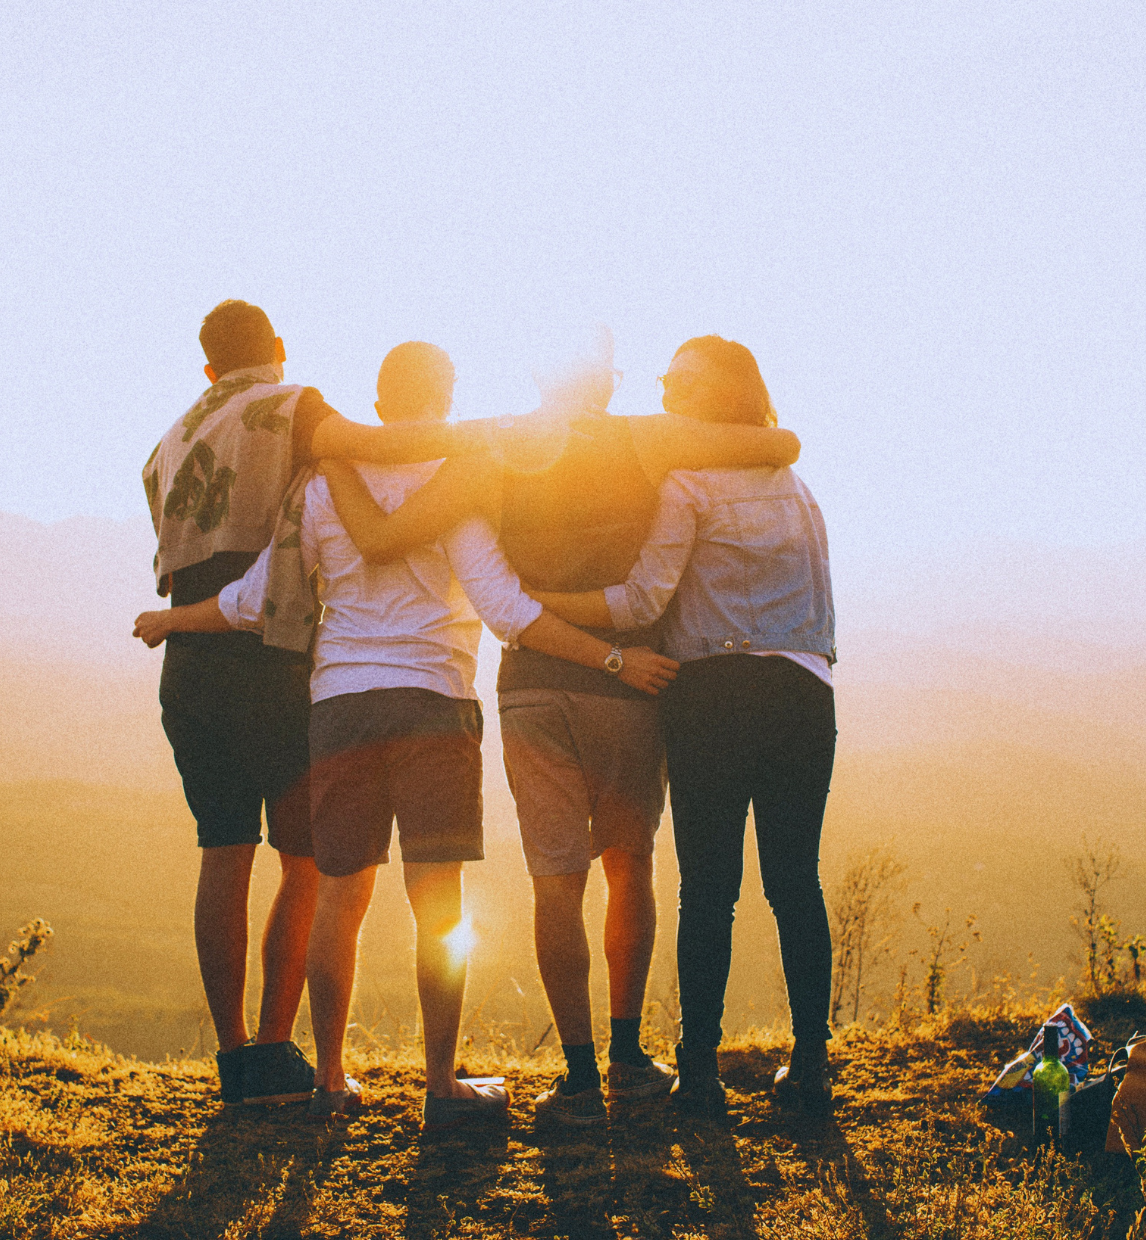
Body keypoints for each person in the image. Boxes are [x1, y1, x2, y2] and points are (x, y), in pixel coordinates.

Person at [150, 342, 679, 1129]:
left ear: (379, 397)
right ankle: (440, 1088)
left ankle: (331, 1081)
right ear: (448, 394)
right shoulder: (458, 481)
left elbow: (255, 598)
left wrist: (171, 620)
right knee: (438, 903)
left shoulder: (321, 483)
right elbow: (505, 610)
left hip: (338, 707)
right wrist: (608, 655)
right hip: (435, 700)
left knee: (340, 895)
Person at [318, 329, 802, 1125]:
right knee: (629, 864)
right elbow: (775, 441)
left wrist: (333, 450)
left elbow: (399, 521)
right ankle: (627, 1055)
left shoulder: (496, 443)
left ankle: (577, 1077)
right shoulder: (648, 437)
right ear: (606, 384)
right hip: (630, 683)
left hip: (531, 688)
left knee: (555, 880)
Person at [135, 302, 498, 1107]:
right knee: (311, 864)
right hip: (272, 657)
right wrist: (491, 437)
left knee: (222, 852)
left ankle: (238, 1061)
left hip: (193, 660)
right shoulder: (292, 406)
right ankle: (277, 1050)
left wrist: (168, 621)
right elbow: (374, 448)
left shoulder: (168, 441)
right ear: (278, 350)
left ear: (206, 367)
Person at [530, 335, 838, 1118]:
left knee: (710, 890)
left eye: (680, 381)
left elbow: (640, 604)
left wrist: (541, 608)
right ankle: (810, 1066)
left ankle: (698, 1071)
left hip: (712, 695)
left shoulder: (689, 484)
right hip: (804, 692)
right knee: (795, 883)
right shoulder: (798, 488)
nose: (665, 389)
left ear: (717, 397)